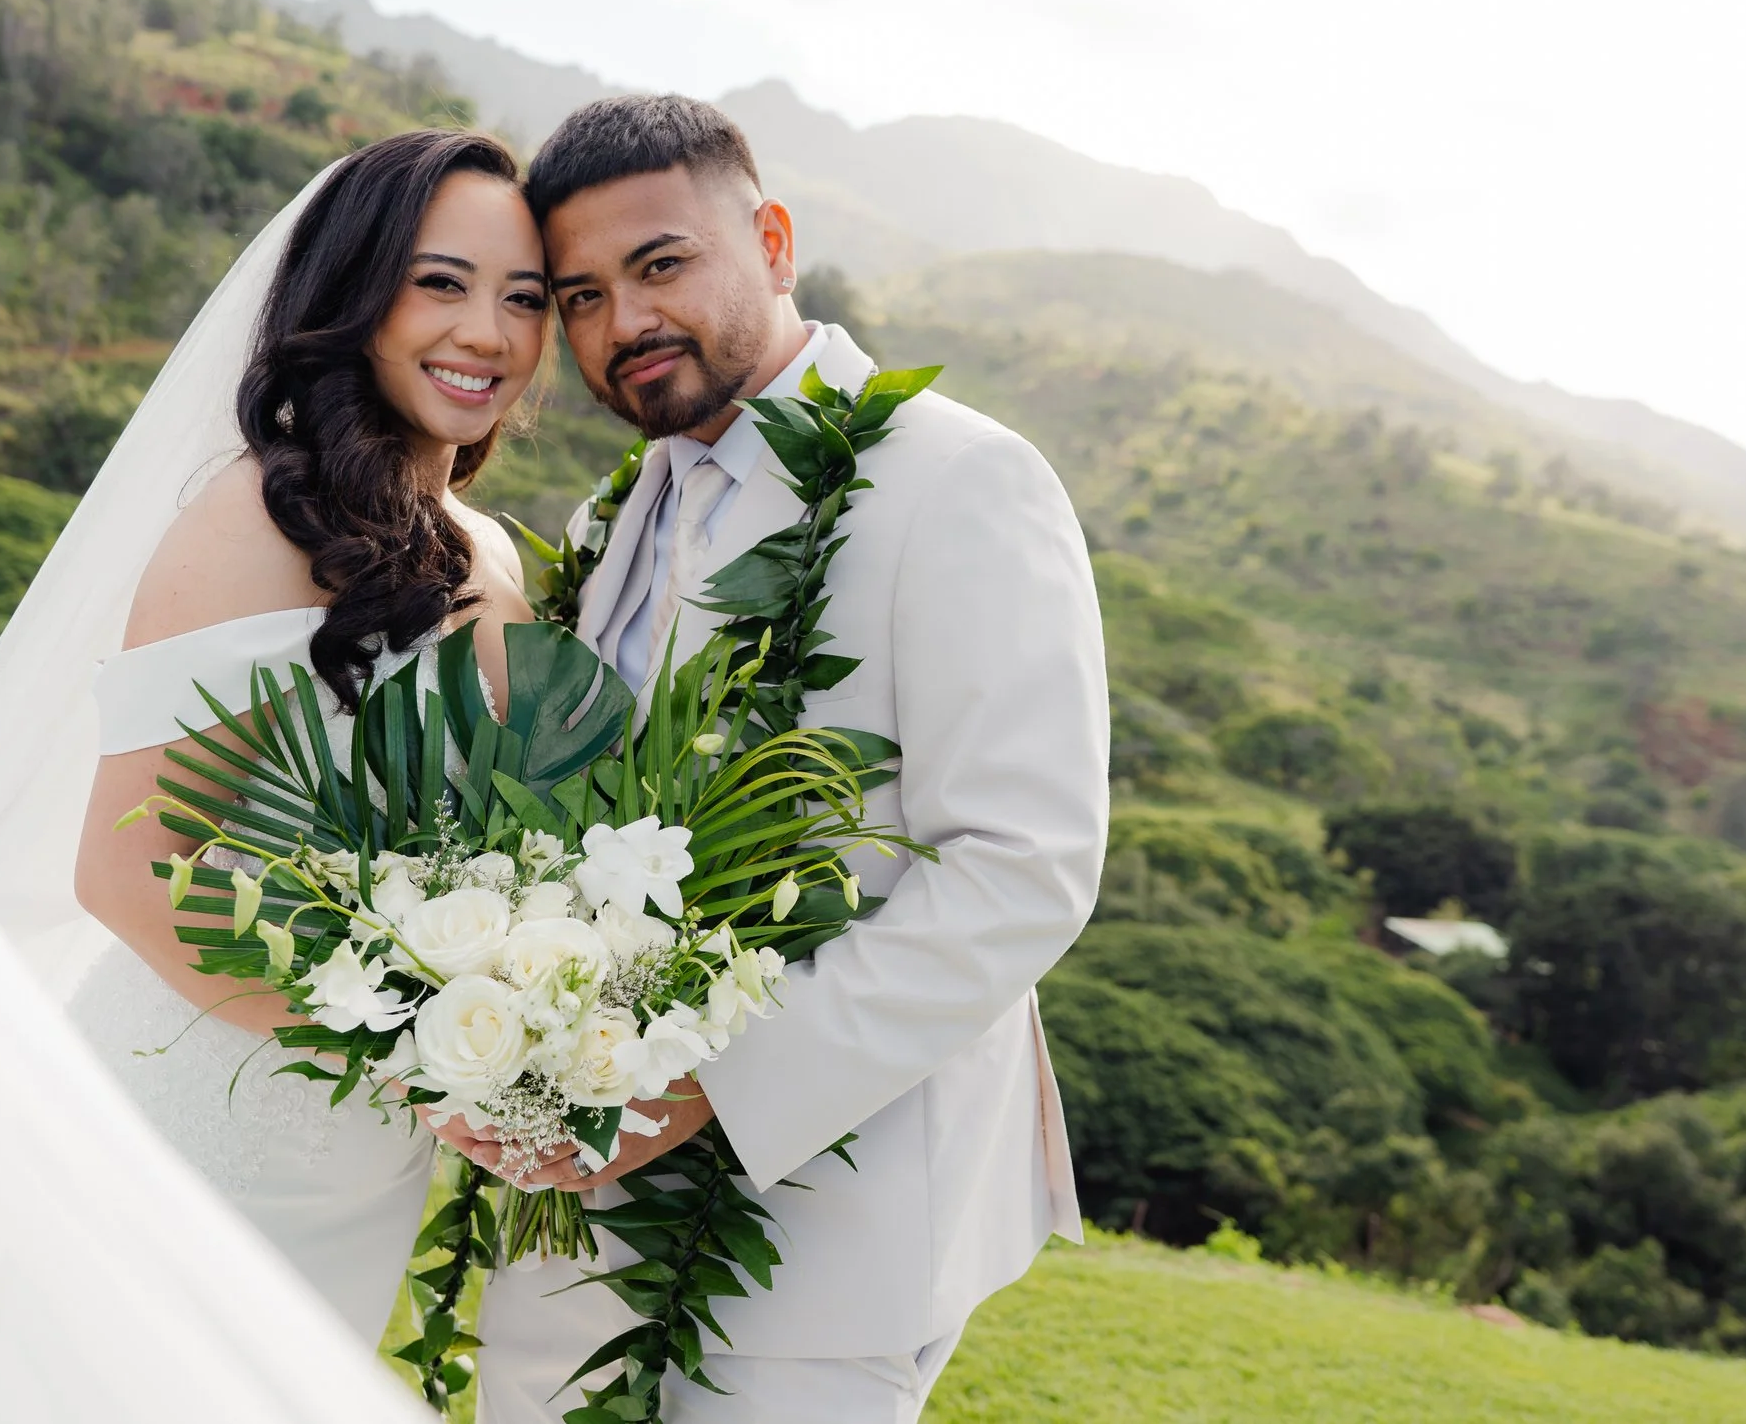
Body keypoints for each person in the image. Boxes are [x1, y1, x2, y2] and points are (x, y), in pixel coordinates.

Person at [462, 95, 1108, 1422]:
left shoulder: (957, 477)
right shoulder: (611, 514)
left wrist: (716, 1077)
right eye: (579, 295)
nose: (622, 324)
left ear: (771, 239)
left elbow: (1024, 864)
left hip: (830, 1216)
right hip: (580, 1203)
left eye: (660, 265)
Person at [60, 127, 549, 1336]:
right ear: (355, 293)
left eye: (524, 296)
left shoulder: (493, 550)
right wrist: (413, 1042)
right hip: (205, 1126)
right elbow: (127, 870)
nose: (487, 332)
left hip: (368, 1154)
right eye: (441, 282)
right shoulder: (257, 517)